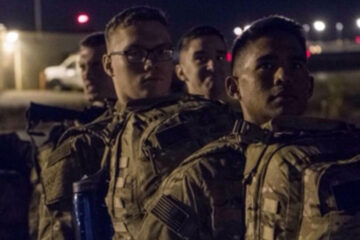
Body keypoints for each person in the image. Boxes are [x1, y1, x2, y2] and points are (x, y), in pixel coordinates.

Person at [139, 15, 314, 240]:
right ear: (233, 87)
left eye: (296, 65)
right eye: (266, 66)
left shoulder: (341, 154)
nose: (283, 76)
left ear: (310, 85)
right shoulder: (201, 177)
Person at [101, 6, 236, 240]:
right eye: (134, 53)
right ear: (109, 64)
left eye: (161, 52)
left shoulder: (206, 121)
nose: (151, 63)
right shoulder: (98, 133)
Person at [33, 32, 116, 240]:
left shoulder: (122, 128)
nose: (87, 74)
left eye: (96, 66)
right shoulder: (78, 123)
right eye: (83, 67)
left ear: (112, 66)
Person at [175, 26, 229, 101]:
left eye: (220, 58)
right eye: (201, 59)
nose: (212, 66)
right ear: (180, 72)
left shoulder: (245, 111)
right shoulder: (171, 112)